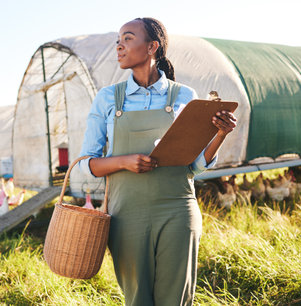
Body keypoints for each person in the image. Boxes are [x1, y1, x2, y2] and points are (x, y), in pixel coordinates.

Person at [79, 18, 237, 305]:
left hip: (177, 208)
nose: (119, 46)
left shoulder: (184, 96)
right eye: (118, 39)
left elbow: (195, 166)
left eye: (127, 38)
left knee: (175, 298)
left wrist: (220, 134)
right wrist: (124, 161)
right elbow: (85, 163)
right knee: (137, 298)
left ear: (152, 47)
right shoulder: (107, 99)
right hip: (126, 214)